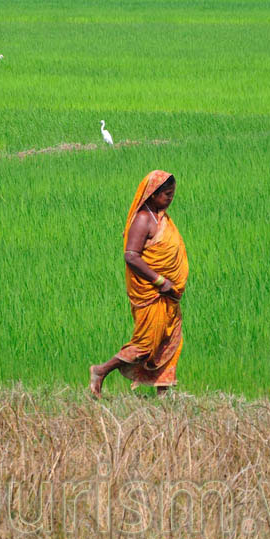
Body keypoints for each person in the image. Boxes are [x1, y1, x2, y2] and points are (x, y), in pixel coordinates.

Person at [89, 170, 188, 398]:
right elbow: (131, 256)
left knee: (168, 338)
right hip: (151, 293)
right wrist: (160, 280)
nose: (170, 199)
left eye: (172, 194)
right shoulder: (144, 219)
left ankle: (164, 395)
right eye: (166, 194)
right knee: (145, 344)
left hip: (168, 294)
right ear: (152, 194)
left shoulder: (161, 217)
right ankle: (100, 371)